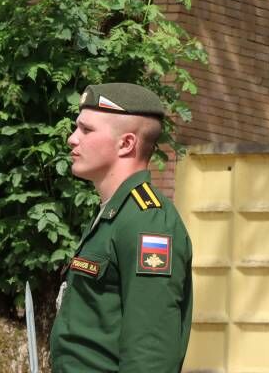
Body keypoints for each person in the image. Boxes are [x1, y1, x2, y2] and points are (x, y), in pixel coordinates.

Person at [49, 82, 193, 372]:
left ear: (126, 143)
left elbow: (150, 351)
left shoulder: (146, 221)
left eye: (86, 130)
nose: (71, 139)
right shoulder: (114, 213)